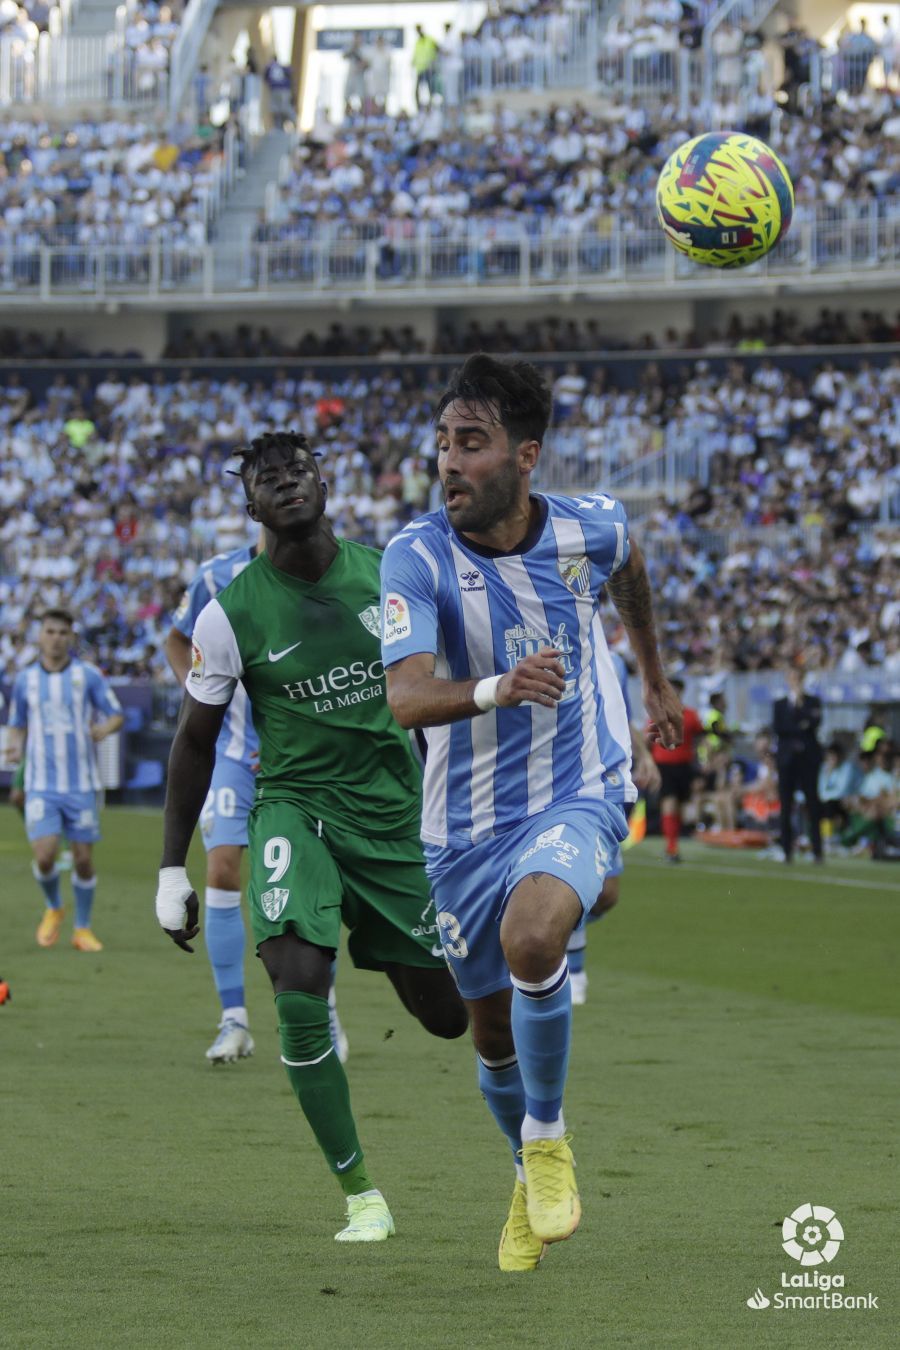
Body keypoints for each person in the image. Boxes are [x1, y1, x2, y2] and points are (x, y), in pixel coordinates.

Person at [380, 354, 682, 1272]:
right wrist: (499, 688)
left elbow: (629, 568)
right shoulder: (415, 555)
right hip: (461, 826)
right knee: (489, 1032)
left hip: (576, 788)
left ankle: (547, 1139)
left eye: (471, 443)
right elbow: (406, 697)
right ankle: (525, 1168)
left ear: (526, 456)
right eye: (442, 443)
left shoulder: (591, 528)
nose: (448, 462)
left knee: (535, 939)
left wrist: (656, 681)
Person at [154, 432, 467, 1244]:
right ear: (249, 504)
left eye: (299, 472)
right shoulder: (230, 611)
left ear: (325, 482)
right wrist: (169, 870)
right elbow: (194, 741)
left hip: (395, 820)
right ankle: (362, 1195)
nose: (287, 486)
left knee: (445, 1018)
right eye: (269, 480)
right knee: (297, 985)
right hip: (295, 810)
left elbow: (443, 694)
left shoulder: (391, 576)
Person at [166, 536, 352, 1065]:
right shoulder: (215, 575)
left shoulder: (327, 570)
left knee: (311, 884)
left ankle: (326, 1009)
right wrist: (203, 689)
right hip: (231, 751)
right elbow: (175, 641)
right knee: (222, 870)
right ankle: (234, 1023)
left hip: (300, 755)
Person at [5, 609, 123, 951]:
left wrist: (102, 729)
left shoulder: (87, 676)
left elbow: (116, 714)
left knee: (84, 859)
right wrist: (14, 746)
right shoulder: (26, 680)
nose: (56, 637)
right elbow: (17, 722)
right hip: (41, 783)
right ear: (40, 636)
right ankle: (55, 906)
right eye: (50, 631)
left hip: (81, 784)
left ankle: (82, 929)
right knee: (44, 855)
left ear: (70, 637)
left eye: (62, 632)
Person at [566, 649, 661, 1005]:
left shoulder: (612, 661)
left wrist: (646, 756)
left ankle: (550, 938)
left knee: (607, 893)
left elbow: (621, 714)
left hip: (604, 780)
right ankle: (572, 971)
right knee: (569, 880)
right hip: (562, 780)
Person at [772, 666, 823, 863]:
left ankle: (817, 850)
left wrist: (801, 713)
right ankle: (787, 850)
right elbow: (780, 728)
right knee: (786, 805)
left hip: (808, 759)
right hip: (787, 760)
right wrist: (801, 724)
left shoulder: (812, 701)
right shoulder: (780, 704)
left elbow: (814, 723)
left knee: (812, 804)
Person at [650, 676, 704, 862]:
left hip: (684, 765)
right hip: (664, 764)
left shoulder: (690, 715)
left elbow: (699, 739)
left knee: (679, 806)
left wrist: (699, 766)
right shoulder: (658, 713)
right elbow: (648, 738)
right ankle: (671, 847)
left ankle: (673, 845)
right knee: (670, 803)